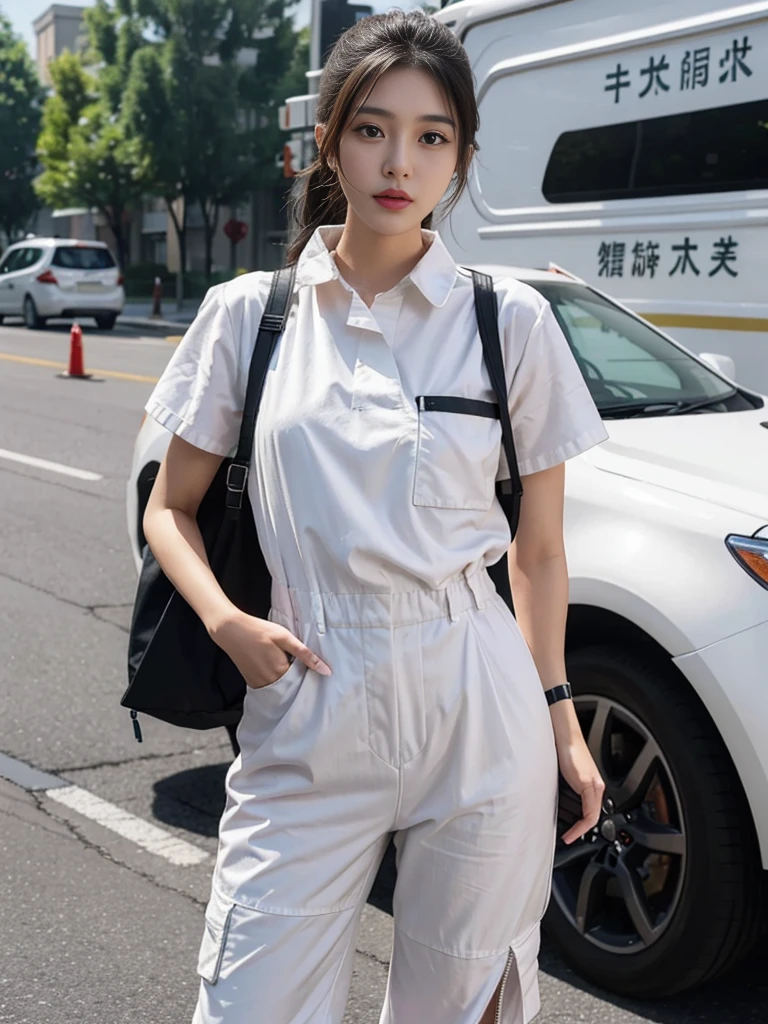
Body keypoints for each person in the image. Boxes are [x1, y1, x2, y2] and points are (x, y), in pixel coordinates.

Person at [142, 9, 609, 1023]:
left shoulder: (508, 321)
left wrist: (561, 721)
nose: (401, 160)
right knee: (249, 999)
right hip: (306, 691)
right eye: (372, 129)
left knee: (468, 996)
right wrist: (227, 621)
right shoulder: (250, 315)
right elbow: (169, 508)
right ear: (329, 140)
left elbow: (536, 552)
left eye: (432, 136)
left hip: (475, 695)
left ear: (461, 158)